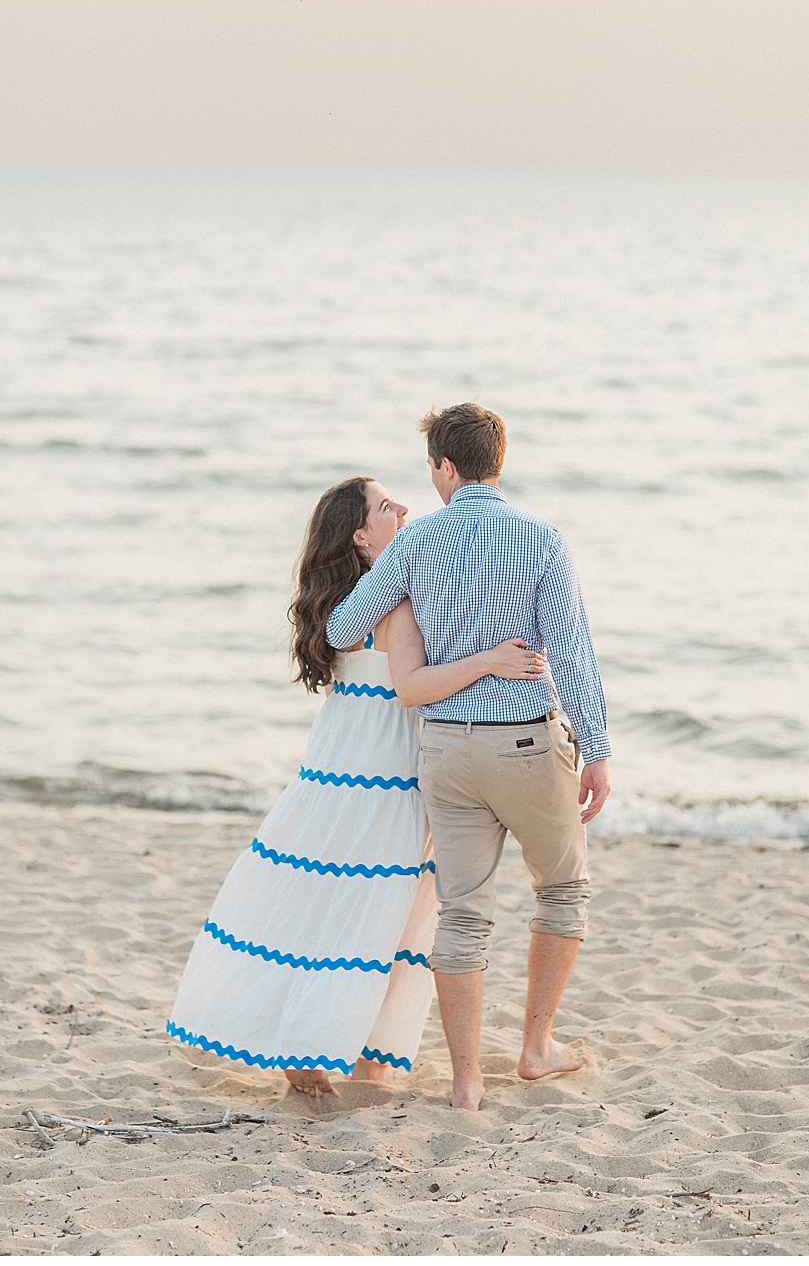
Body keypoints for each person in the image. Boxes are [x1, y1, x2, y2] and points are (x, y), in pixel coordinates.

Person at [169, 476, 547, 1096]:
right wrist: (489, 661)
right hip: (382, 778)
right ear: (361, 535)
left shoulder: (350, 595)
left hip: (336, 772)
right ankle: (341, 1048)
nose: (402, 507)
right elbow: (411, 683)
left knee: (328, 908)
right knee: (378, 918)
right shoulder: (388, 597)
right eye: (384, 505)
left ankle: (333, 1045)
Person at [327, 403, 610, 1111]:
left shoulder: (416, 543)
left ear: (445, 467)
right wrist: (598, 749)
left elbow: (343, 625)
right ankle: (537, 1050)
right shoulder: (542, 539)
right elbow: (571, 655)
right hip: (526, 745)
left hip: (446, 750)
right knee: (564, 890)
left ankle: (465, 1083)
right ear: (498, 460)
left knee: (462, 914)